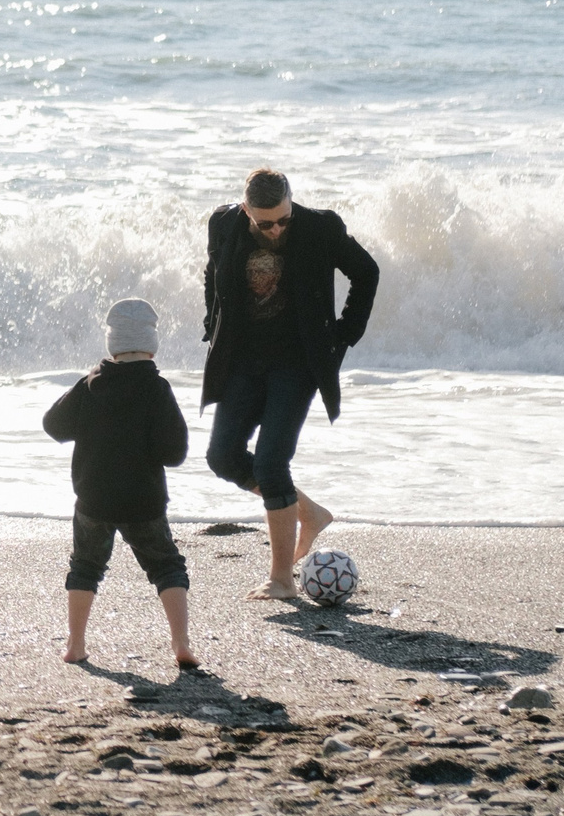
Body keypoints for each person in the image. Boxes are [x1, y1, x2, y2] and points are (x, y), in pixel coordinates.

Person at [200, 167, 379, 599]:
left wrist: (342, 336)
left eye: (284, 218)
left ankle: (281, 580)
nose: (277, 228)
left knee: (270, 463)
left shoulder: (320, 227)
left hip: (297, 363)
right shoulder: (223, 223)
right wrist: (211, 324)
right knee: (223, 457)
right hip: (243, 360)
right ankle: (309, 513)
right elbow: (212, 274)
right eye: (266, 223)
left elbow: (366, 272)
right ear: (246, 211)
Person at [42, 297, 198, 670]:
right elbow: (175, 453)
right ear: (152, 343)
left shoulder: (92, 383)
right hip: (143, 500)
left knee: (85, 567)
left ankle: (75, 643)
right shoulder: (157, 389)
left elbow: (53, 425)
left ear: (112, 343)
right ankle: (181, 642)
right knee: (167, 567)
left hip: (93, 499)